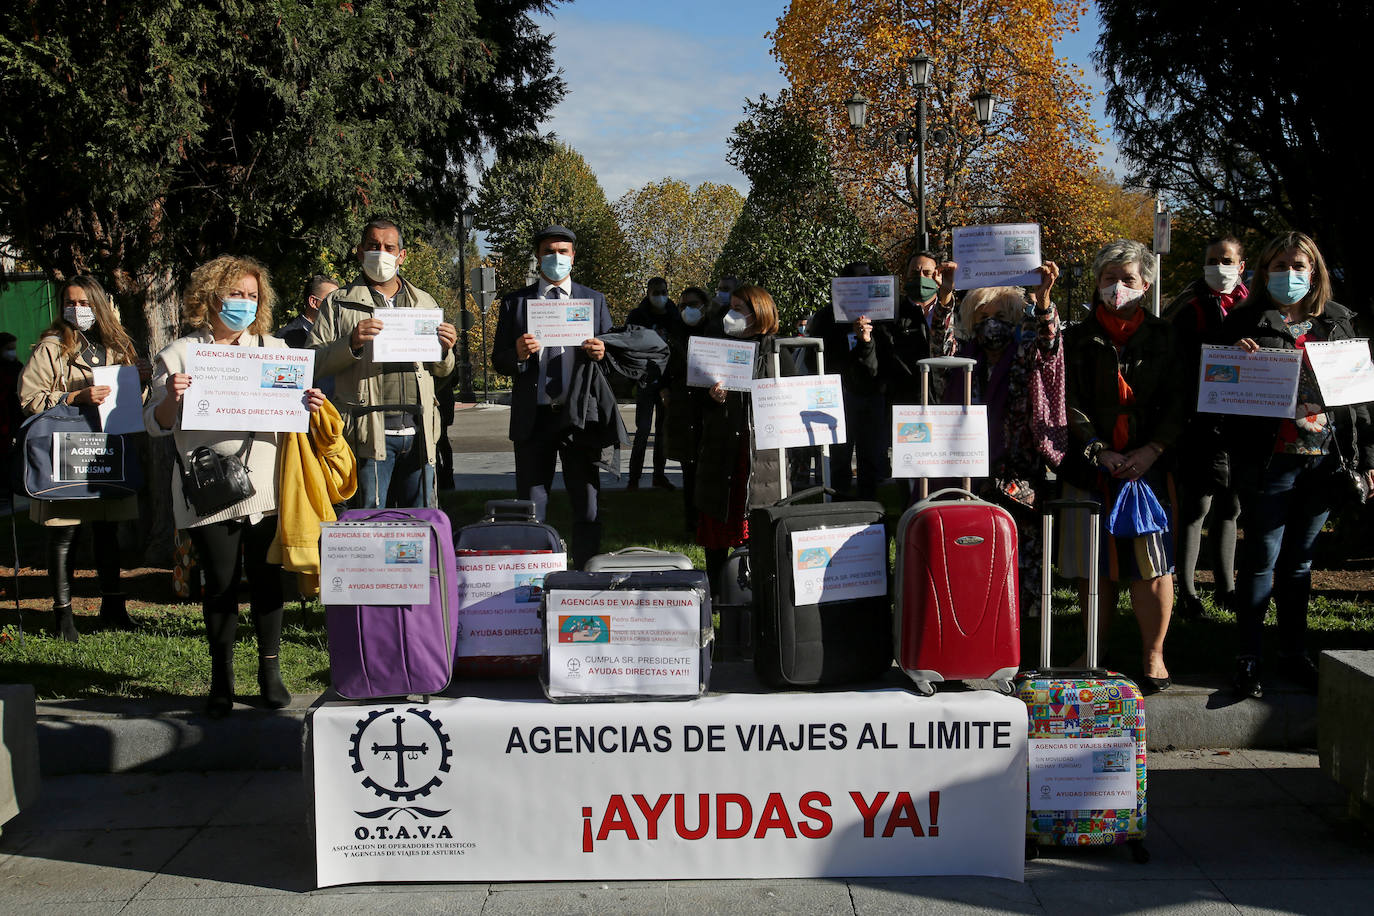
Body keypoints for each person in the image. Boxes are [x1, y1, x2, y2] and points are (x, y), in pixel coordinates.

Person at [145, 255, 327, 716]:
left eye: (251, 296)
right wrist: (172, 398)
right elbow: (154, 425)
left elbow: (295, 415)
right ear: (209, 296)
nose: (243, 303)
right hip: (211, 490)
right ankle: (221, 679)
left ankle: (270, 673)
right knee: (220, 583)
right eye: (235, 294)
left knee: (268, 581)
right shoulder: (179, 354)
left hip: (266, 485)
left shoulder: (276, 349)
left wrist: (310, 402)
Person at [1220, 231, 1374, 699]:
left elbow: (1360, 403)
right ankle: (1248, 656)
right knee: (1261, 559)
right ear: (1264, 272)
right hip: (1269, 461)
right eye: (1279, 266)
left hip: (1327, 463)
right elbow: (1218, 391)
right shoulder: (1244, 322)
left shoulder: (1339, 323)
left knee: (1300, 564)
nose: (1289, 275)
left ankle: (1292, 652)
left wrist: (1367, 459)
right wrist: (1237, 359)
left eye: (1298, 266)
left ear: (1315, 271)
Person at [1060, 239, 1183, 694]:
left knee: (1152, 563)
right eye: (1109, 279)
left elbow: (1178, 402)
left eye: (1127, 279)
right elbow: (1067, 402)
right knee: (1096, 565)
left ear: (1145, 285)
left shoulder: (1167, 337)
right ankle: (1094, 649)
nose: (1117, 288)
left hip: (1149, 469)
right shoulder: (1076, 338)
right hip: (1094, 467)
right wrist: (1097, 450)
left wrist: (1151, 449)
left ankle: (1154, 655)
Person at [17, 276, 149, 640]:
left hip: (106, 452)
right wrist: (73, 398)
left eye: (85, 303)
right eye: (71, 303)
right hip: (64, 453)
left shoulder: (119, 345)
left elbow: (136, 404)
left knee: (108, 530)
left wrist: (141, 381)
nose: (78, 310)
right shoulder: (50, 348)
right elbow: (29, 398)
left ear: (99, 305)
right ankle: (64, 617)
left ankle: (114, 607)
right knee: (64, 533)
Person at [931, 267, 1066, 605]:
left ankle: (1026, 622)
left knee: (1021, 555)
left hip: (1019, 479)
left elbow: (1049, 342)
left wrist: (1045, 298)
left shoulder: (1026, 355)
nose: (991, 323)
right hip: (971, 478)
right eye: (983, 315)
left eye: (1000, 315)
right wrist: (946, 294)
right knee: (976, 557)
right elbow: (939, 347)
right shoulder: (964, 360)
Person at [308, 219, 457, 509]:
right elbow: (311, 363)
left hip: (419, 430)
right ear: (361, 252)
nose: (382, 253)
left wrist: (445, 351)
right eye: (374, 246)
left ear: (402, 256)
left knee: (421, 524)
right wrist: (350, 343)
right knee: (369, 525)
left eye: (389, 247)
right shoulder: (339, 304)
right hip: (367, 433)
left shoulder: (424, 303)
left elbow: (443, 373)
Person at [492, 224, 615, 569]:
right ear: (538, 256)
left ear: (573, 257)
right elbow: (499, 360)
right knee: (531, 503)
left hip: (579, 416)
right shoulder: (516, 303)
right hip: (536, 417)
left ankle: (587, 574)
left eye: (563, 251)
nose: (556, 258)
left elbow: (612, 360)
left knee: (587, 501)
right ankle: (533, 575)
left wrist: (603, 353)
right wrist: (516, 352)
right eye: (549, 251)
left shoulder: (593, 300)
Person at [1165, 237, 1249, 619]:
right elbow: (1176, 361)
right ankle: (1187, 591)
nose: (1219, 266)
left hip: (1242, 423)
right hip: (1198, 423)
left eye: (1226, 260)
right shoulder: (1189, 306)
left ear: (1241, 265)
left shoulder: (1254, 306)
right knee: (1196, 507)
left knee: (1231, 507)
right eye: (1212, 260)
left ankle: (1227, 589)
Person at [695, 284, 793, 594]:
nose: (730, 315)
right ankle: (716, 594)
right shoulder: (718, 347)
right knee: (717, 525)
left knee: (757, 529)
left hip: (761, 459)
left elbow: (792, 403)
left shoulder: (778, 352)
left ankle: (759, 592)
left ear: (759, 313)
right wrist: (712, 398)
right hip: (722, 453)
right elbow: (697, 406)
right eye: (731, 307)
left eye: (739, 309)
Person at [806, 261, 889, 500]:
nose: (866, 281)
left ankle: (869, 507)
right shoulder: (827, 317)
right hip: (840, 396)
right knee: (840, 458)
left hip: (873, 394)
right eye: (860, 277)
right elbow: (818, 358)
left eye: (869, 276)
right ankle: (840, 506)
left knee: (870, 457)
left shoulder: (882, 314)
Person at [663, 286, 712, 532]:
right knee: (689, 470)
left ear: (705, 305)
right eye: (683, 305)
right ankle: (692, 524)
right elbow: (663, 366)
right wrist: (664, 389)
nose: (687, 310)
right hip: (684, 408)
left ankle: (710, 520)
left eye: (693, 304)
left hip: (710, 408)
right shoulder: (675, 333)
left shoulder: (715, 331)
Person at [624, 277, 679, 490]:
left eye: (663, 291)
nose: (660, 296)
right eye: (656, 292)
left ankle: (659, 475)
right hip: (646, 379)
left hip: (667, 380)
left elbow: (676, 350)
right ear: (647, 292)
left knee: (663, 431)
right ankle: (634, 477)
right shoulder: (638, 315)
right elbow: (630, 346)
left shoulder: (674, 315)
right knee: (643, 430)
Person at [276, 274, 338, 350]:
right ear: (313, 302)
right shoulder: (284, 338)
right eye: (332, 300)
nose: (337, 306)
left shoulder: (339, 334)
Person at [0, 332, 23, 472]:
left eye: (13, 348)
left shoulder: (17, 366)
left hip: (14, 416)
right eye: (8, 349)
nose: (12, 352)